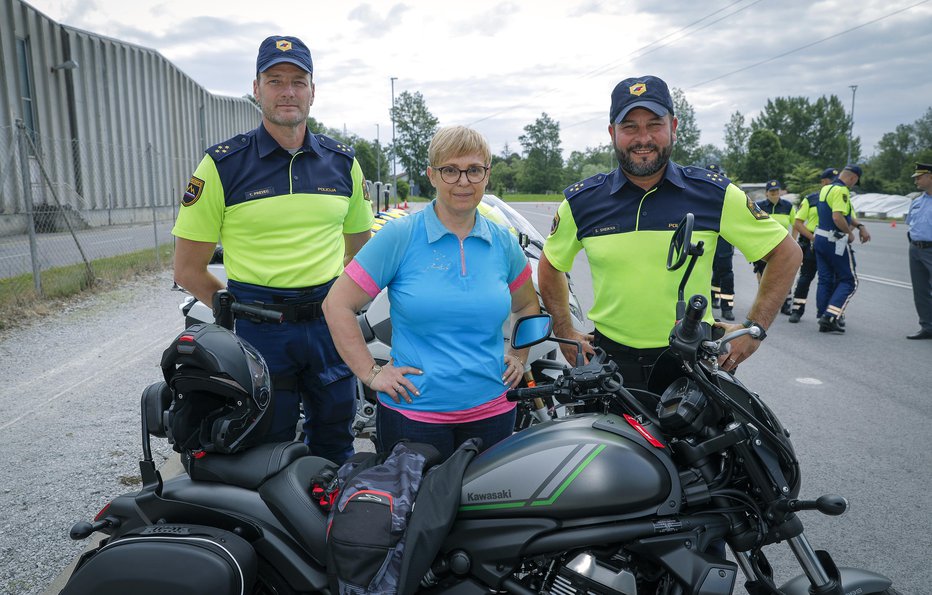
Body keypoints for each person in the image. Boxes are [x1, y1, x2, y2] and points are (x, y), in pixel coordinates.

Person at [171, 35, 374, 464]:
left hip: (328, 325)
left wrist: (340, 304)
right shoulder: (222, 165)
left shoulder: (343, 163)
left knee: (337, 439)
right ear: (257, 89)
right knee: (268, 447)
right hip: (259, 328)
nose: (288, 91)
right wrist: (236, 310)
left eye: (298, 81)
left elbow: (360, 252)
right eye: (275, 80)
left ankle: (333, 524)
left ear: (313, 91)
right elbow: (188, 269)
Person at [538, 75, 801, 390]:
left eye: (654, 124)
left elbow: (786, 253)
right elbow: (551, 264)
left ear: (674, 127)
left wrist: (754, 328)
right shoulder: (581, 202)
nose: (643, 138)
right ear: (612, 133)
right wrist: (565, 331)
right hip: (610, 362)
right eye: (630, 127)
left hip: (691, 359)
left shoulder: (714, 194)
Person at [322, 126, 539, 460]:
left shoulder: (504, 242)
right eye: (450, 170)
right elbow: (337, 304)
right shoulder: (401, 235)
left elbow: (526, 306)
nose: (463, 181)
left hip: (493, 413)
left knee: (486, 513)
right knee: (416, 512)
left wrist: (519, 356)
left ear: (486, 175)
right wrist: (371, 372)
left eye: (474, 170)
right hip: (414, 417)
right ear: (432, 175)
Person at [813, 164, 871, 333]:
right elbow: (838, 217)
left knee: (824, 279)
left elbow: (843, 214)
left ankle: (823, 315)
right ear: (853, 178)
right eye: (855, 182)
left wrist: (859, 225)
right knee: (849, 281)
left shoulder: (826, 189)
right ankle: (831, 316)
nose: (853, 185)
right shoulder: (842, 191)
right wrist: (849, 234)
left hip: (820, 239)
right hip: (834, 240)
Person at [788, 168, 838, 323]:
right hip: (811, 244)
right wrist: (813, 238)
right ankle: (797, 309)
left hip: (832, 245)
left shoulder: (840, 198)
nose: (835, 184)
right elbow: (797, 222)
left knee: (832, 280)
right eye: (831, 180)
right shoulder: (812, 199)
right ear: (823, 182)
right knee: (805, 278)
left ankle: (833, 313)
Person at [753, 180, 797, 296]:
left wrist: (793, 242)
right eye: (771, 191)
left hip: (783, 247)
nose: (774, 193)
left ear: (780, 191)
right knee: (763, 273)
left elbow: (796, 225)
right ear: (766, 193)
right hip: (764, 247)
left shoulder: (788, 207)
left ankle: (785, 301)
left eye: (776, 190)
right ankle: (763, 298)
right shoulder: (759, 206)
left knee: (784, 274)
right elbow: (753, 226)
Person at [906, 162, 932, 339]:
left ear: (930, 177)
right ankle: (927, 327)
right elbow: (911, 224)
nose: (916, 180)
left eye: (919, 177)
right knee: (920, 290)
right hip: (915, 248)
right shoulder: (917, 201)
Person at [707, 164, 736, 321]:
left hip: (723, 238)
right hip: (704, 239)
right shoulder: (697, 194)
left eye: (715, 175)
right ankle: (710, 299)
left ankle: (727, 307)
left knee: (725, 272)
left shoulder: (727, 193)